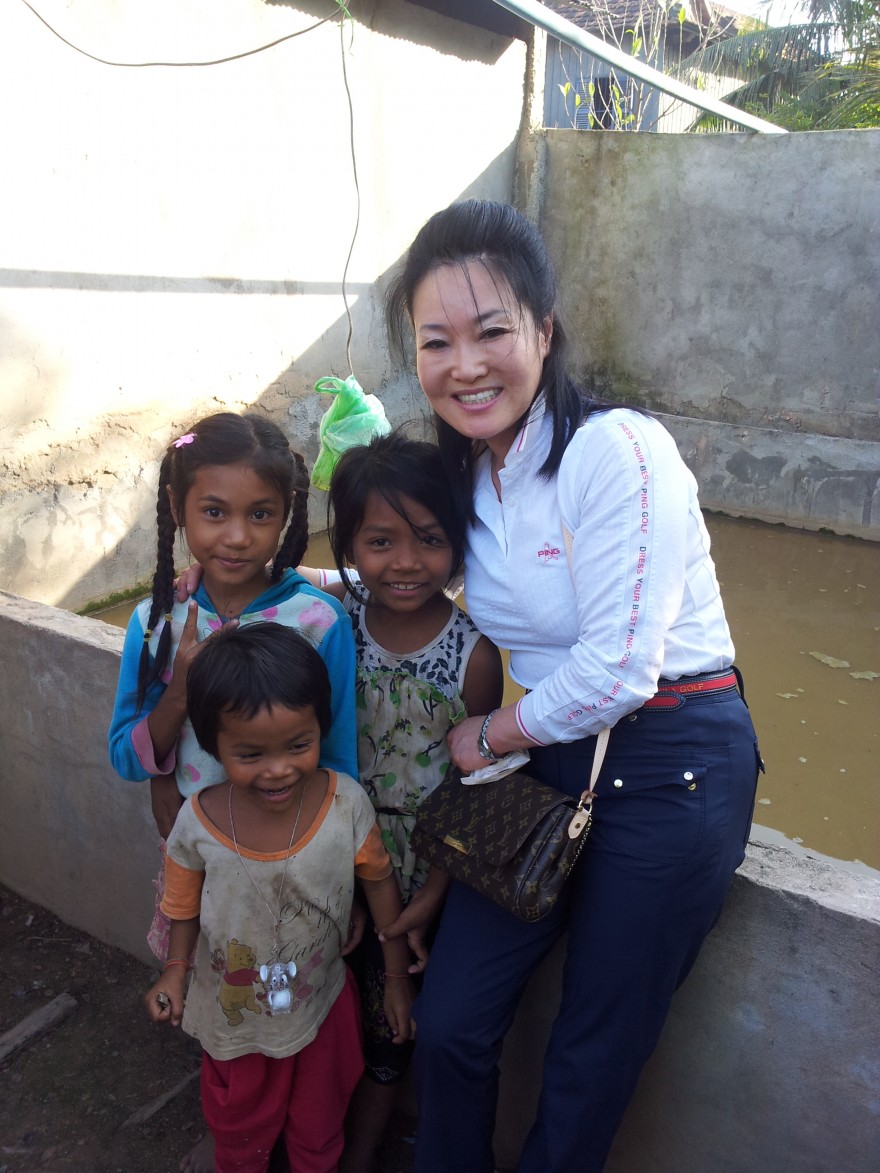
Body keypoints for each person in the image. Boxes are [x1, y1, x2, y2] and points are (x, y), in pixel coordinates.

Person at [379, 199, 764, 1173]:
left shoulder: (618, 452)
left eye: (491, 331)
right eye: (436, 341)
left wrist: (489, 736)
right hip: (553, 752)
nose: (465, 364)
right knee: (457, 1015)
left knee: (591, 1054)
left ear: (543, 334)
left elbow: (621, 668)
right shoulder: (473, 472)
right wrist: (290, 591)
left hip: (673, 761)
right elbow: (419, 574)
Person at [108, 411, 357, 1173]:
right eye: (213, 512)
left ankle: (309, 1130)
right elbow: (127, 752)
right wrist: (179, 691)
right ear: (179, 511)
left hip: (300, 864)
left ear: (288, 516)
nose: (238, 536)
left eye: (261, 514)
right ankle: (243, 1133)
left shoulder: (318, 621)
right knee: (228, 1004)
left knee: (305, 1000)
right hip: (205, 867)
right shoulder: (158, 621)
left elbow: (340, 763)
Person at [298, 432, 503, 1171]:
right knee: (317, 1005)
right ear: (349, 542)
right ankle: (293, 1130)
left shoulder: (475, 655)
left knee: (394, 1027)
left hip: (417, 880)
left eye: (430, 538)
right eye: (379, 541)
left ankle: (358, 1153)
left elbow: (473, 785)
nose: (406, 562)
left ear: (459, 541)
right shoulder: (333, 629)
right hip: (329, 858)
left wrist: (438, 891)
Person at [144, 623, 415, 1173]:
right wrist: (175, 969)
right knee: (241, 1133)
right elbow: (180, 904)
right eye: (250, 753)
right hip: (235, 1017)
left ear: (322, 726)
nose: (279, 769)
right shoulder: (196, 824)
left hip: (319, 1006)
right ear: (213, 742)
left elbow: (380, 882)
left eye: (299, 745)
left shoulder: (346, 806)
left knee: (319, 1128)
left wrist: (394, 977)